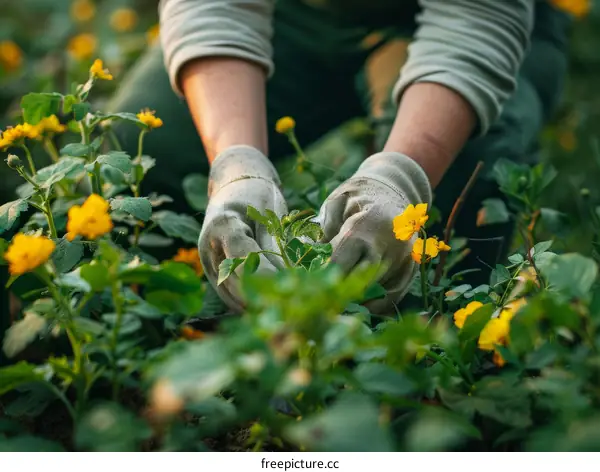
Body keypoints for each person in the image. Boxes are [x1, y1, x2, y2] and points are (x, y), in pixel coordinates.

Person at [107, 0, 573, 317]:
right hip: (297, 13)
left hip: (466, 20)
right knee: (139, 150)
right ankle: (162, 323)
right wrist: (237, 167)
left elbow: (474, 27)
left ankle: (431, 360)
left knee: (466, 175)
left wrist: (398, 182)